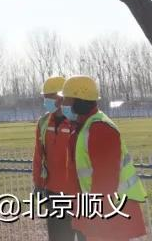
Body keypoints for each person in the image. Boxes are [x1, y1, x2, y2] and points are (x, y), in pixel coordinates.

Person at [61, 75, 147, 241]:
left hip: (112, 214)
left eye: (67, 100)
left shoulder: (100, 129)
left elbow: (105, 180)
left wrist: (96, 218)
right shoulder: (83, 126)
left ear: (80, 101)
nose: (63, 104)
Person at [33, 75, 78, 240]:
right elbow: (39, 156)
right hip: (53, 194)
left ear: (60, 98)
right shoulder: (43, 122)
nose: (45, 101)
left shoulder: (76, 121)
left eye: (48, 97)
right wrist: (37, 184)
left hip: (77, 194)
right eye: (44, 98)